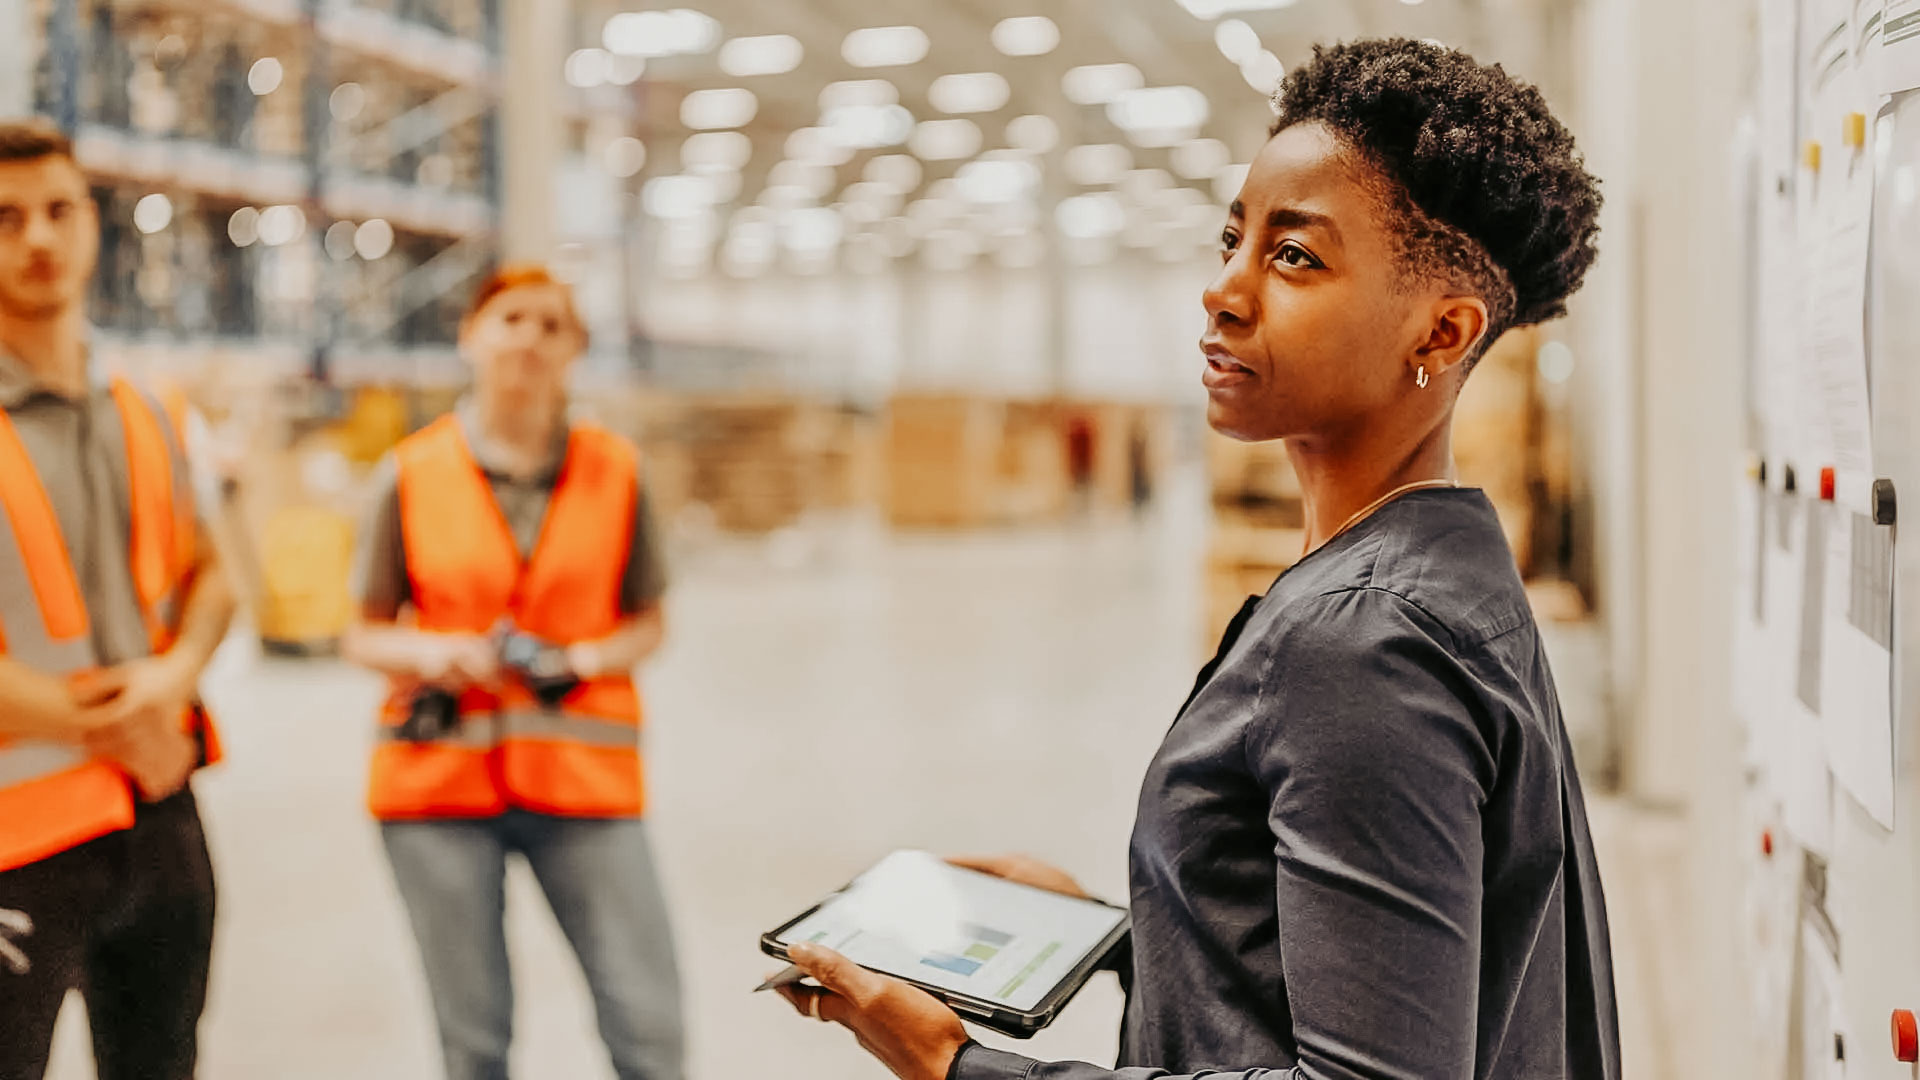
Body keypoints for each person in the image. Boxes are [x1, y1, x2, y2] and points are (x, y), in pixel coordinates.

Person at [772, 39, 1617, 1080]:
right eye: (1232, 240)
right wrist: (1138, 924)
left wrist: (962, 1067)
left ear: (1441, 335)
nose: (1224, 291)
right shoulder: (1445, 573)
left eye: (1293, 257)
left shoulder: (1364, 644)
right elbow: (1383, 967)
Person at [343, 264, 683, 1080]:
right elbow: (361, 632)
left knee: (649, 1029)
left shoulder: (616, 471)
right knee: (475, 1046)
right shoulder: (410, 473)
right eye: (511, 319)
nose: (529, 339)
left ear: (575, 349)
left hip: (584, 783)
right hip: (438, 790)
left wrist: (581, 660)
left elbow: (649, 620)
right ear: (471, 336)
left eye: (551, 325)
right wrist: (434, 654)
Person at [0, 119, 235, 1080]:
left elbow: (213, 573)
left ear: (93, 224)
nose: (39, 239)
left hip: (161, 815)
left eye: (59, 210)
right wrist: (112, 723)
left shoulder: (151, 404)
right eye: (7, 218)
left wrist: (173, 679)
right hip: (17, 836)